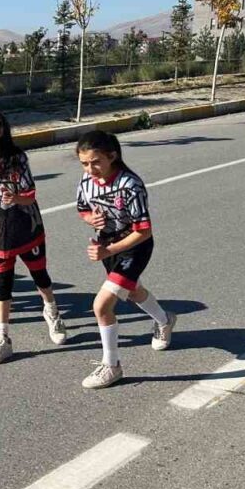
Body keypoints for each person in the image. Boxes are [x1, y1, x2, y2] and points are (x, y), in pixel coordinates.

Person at [0, 107, 69, 364]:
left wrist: (16, 198)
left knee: (39, 276)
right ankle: (3, 338)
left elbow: (31, 195)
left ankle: (52, 312)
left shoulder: (17, 158)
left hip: (26, 227)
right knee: (3, 285)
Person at [75, 130, 175, 390]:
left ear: (112, 156)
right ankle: (164, 320)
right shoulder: (86, 182)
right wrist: (91, 220)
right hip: (108, 245)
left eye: (96, 162)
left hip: (135, 246)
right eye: (85, 163)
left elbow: (144, 231)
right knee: (132, 291)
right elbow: (82, 209)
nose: (90, 168)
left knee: (102, 306)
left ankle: (112, 366)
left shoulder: (130, 185)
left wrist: (109, 251)